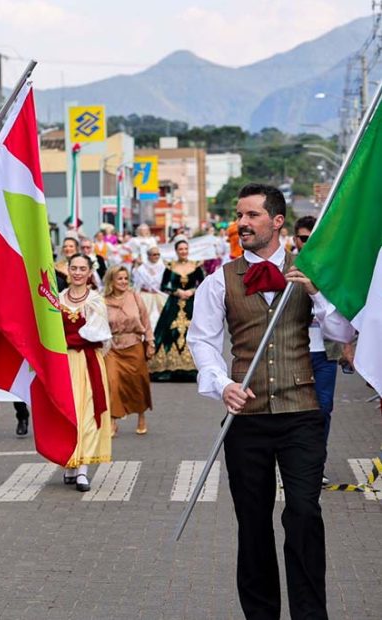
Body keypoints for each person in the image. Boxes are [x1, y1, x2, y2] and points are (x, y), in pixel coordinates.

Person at [187, 183, 355, 620]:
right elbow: (201, 341)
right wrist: (221, 383)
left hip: (301, 413)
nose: (242, 223)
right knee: (253, 523)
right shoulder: (218, 281)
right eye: (239, 215)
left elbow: (340, 334)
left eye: (252, 215)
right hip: (246, 419)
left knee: (303, 514)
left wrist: (317, 293)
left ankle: (310, 614)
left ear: (277, 221)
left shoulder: (309, 272)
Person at [293, 215, 353, 484]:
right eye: (304, 239)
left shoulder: (331, 268)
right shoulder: (286, 267)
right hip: (295, 351)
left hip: (326, 352)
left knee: (323, 409)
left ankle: (317, 465)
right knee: (295, 411)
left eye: (313, 239)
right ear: (295, 239)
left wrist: (348, 346)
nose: (308, 244)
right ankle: (295, 465)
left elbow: (341, 313)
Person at [59, 254, 112, 492]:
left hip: (88, 362)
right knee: (68, 412)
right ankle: (70, 463)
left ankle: (83, 470)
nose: (78, 272)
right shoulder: (57, 299)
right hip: (65, 363)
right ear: (68, 270)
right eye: (74, 268)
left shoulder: (95, 301)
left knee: (89, 414)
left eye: (82, 268)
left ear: (90, 272)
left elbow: (98, 335)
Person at [103, 266, 153, 436]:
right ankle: (112, 420)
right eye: (120, 279)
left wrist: (150, 343)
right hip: (112, 348)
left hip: (134, 345)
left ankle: (141, 416)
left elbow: (146, 321)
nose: (124, 282)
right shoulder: (103, 301)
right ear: (111, 281)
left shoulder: (135, 297)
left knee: (138, 383)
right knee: (112, 383)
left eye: (126, 278)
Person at [148, 239, 205, 382]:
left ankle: (193, 368)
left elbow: (203, 285)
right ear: (176, 251)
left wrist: (192, 291)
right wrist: (176, 291)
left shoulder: (196, 266)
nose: (183, 251)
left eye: (185, 249)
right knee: (168, 332)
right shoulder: (170, 267)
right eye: (181, 249)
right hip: (173, 304)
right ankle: (168, 367)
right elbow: (163, 287)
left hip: (191, 304)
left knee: (195, 332)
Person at [132, 246, 168, 331]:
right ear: (148, 256)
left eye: (158, 254)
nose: (156, 256)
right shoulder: (141, 268)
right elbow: (137, 284)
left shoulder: (163, 267)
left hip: (160, 295)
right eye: (154, 254)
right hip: (146, 296)